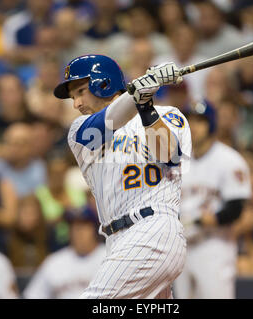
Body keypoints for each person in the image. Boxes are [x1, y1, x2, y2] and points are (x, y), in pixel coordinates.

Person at [53, 54, 191, 298]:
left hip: (153, 229)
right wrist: (142, 90)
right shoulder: (79, 130)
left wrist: (146, 105)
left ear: (102, 83)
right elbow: (108, 120)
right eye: (73, 96)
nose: (76, 103)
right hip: (117, 240)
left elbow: (168, 155)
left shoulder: (170, 114)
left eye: (80, 91)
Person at [174, 101, 252, 299]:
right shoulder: (176, 160)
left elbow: (236, 208)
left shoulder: (229, 160)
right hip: (181, 246)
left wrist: (212, 219)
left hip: (214, 244)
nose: (193, 127)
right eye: (189, 121)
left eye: (200, 121)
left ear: (212, 125)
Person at [23, 206, 106, 298]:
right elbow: (33, 295)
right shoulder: (54, 261)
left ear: (95, 229)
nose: (77, 231)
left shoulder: (110, 257)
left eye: (83, 226)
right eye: (73, 226)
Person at [0, 123, 47, 198]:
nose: (14, 149)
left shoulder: (39, 169)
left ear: (30, 146)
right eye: (10, 143)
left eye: (19, 144)